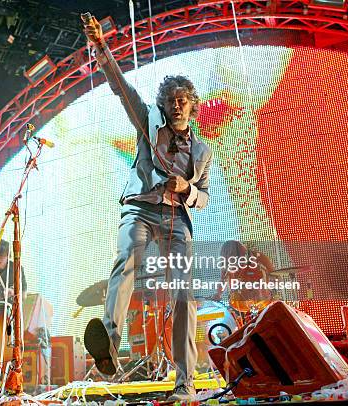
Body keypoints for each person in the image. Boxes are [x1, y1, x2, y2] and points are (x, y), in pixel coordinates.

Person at [82, 15, 212, 401]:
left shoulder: (203, 152)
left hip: (177, 221)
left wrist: (186, 187)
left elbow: (203, 198)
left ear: (192, 106)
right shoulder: (146, 123)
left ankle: (185, 384)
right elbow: (122, 89)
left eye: (182, 100)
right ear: (162, 106)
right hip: (139, 207)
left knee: (184, 294)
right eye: (170, 101)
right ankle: (107, 340)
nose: (176, 106)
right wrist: (100, 47)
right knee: (127, 259)